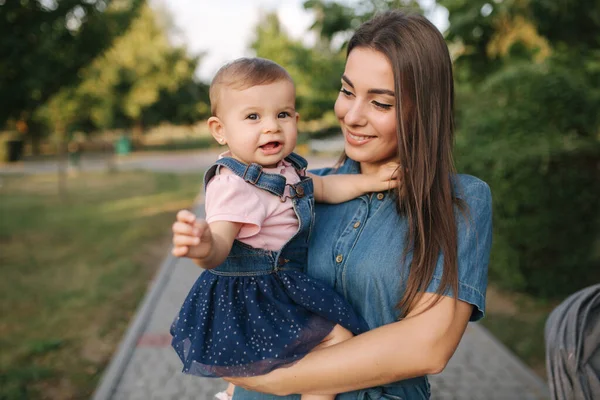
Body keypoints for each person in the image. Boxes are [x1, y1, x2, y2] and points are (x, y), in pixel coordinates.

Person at [173, 9, 492, 399]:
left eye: (381, 103)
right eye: (347, 91)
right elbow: (247, 294)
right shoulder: (301, 187)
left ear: (423, 111)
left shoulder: (460, 201)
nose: (352, 116)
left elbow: (427, 347)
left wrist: (259, 376)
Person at [170, 57, 400, 400]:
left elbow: (324, 189)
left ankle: (233, 392)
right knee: (337, 340)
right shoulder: (234, 184)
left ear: (295, 119)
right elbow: (220, 244)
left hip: (278, 284)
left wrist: (369, 181)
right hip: (254, 292)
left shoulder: (287, 170)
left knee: (280, 357)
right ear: (220, 130)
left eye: (282, 114)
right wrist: (203, 248)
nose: (271, 127)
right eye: (252, 117)